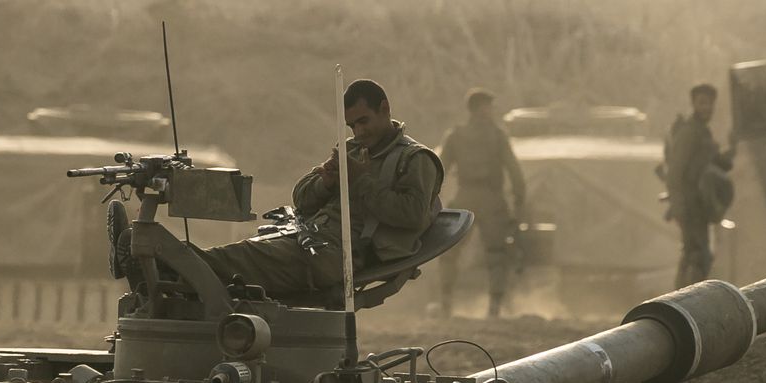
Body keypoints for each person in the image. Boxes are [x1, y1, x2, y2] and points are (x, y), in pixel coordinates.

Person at [193, 79, 442, 306]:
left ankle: (177, 267)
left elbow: (413, 214)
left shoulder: (414, 160)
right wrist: (328, 181)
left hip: (339, 255)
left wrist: (360, 181)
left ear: (385, 109)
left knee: (226, 260)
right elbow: (301, 198)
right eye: (352, 125)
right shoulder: (352, 149)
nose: (358, 132)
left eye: (363, 121)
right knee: (223, 260)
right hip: (307, 239)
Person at [437, 88, 525, 318]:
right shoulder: (496, 135)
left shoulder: (456, 135)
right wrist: (519, 200)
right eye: (488, 106)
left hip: (467, 196)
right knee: (493, 252)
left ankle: (484, 304)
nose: (492, 111)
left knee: (452, 250)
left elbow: (439, 170)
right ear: (478, 108)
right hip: (488, 198)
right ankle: (477, 304)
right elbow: (514, 170)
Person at [664, 83, 736, 287]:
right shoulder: (690, 132)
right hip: (690, 205)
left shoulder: (703, 132)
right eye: (702, 103)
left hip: (700, 206)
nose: (707, 107)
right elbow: (675, 172)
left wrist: (734, 147)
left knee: (694, 255)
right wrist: (679, 206)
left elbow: (716, 164)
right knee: (698, 256)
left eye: (710, 103)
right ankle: (683, 303)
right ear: (694, 104)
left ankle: (678, 303)